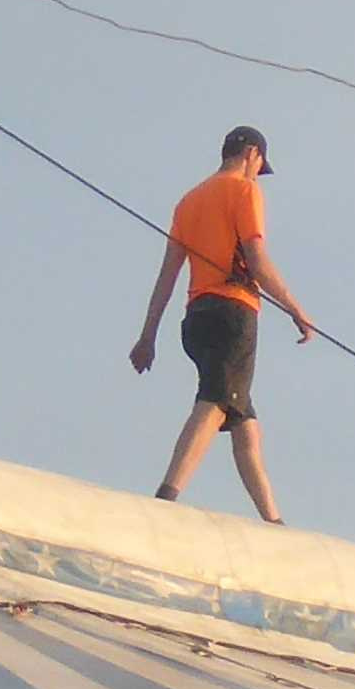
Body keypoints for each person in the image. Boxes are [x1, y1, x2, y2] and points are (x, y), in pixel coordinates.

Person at [131, 125, 314, 519]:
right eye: (260, 165)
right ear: (252, 154)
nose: (258, 173)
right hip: (233, 313)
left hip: (196, 318)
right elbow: (257, 261)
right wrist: (295, 309)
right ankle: (165, 498)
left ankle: (273, 519)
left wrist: (148, 336)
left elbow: (167, 277)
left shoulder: (188, 201)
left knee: (245, 421)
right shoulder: (244, 191)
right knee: (215, 401)